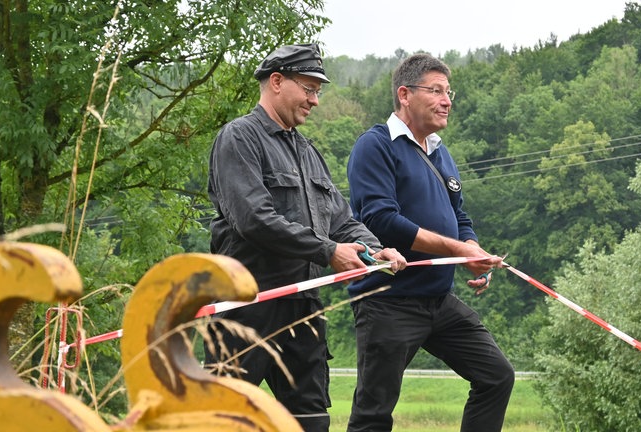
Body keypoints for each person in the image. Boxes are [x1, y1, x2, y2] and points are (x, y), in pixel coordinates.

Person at [204, 43, 406, 432]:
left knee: (310, 421)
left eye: (318, 91)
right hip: (247, 305)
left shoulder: (307, 151)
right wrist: (328, 251)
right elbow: (254, 219)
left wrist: (376, 250)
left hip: (304, 307)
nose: (315, 100)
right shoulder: (239, 138)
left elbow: (341, 220)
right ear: (277, 81)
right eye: (309, 89)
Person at [345, 53, 515, 431]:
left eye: (448, 92)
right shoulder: (375, 145)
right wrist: (457, 251)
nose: (447, 100)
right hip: (388, 301)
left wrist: (474, 251)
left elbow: (460, 217)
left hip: (439, 300)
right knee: (373, 414)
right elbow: (381, 220)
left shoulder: (440, 151)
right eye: (436, 91)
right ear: (405, 94)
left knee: (497, 376)